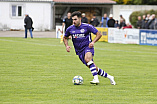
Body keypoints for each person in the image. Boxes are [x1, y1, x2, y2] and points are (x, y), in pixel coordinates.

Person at [63, 11, 116, 85]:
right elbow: (65, 38)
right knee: (94, 68)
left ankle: (96, 79)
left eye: (75, 19)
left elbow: (99, 34)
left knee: (88, 59)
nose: (74, 21)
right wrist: (67, 45)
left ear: (80, 19)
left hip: (88, 47)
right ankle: (110, 77)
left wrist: (93, 42)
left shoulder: (87, 26)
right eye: (73, 20)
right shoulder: (70, 29)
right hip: (79, 51)